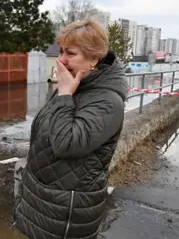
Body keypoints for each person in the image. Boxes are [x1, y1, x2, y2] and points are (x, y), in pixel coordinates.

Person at [13, 19, 128, 239]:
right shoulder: (75, 84)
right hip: (43, 197)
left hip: (66, 210)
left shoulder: (107, 100)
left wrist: (64, 94)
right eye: (61, 51)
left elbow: (67, 145)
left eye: (71, 53)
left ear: (94, 58)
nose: (62, 60)